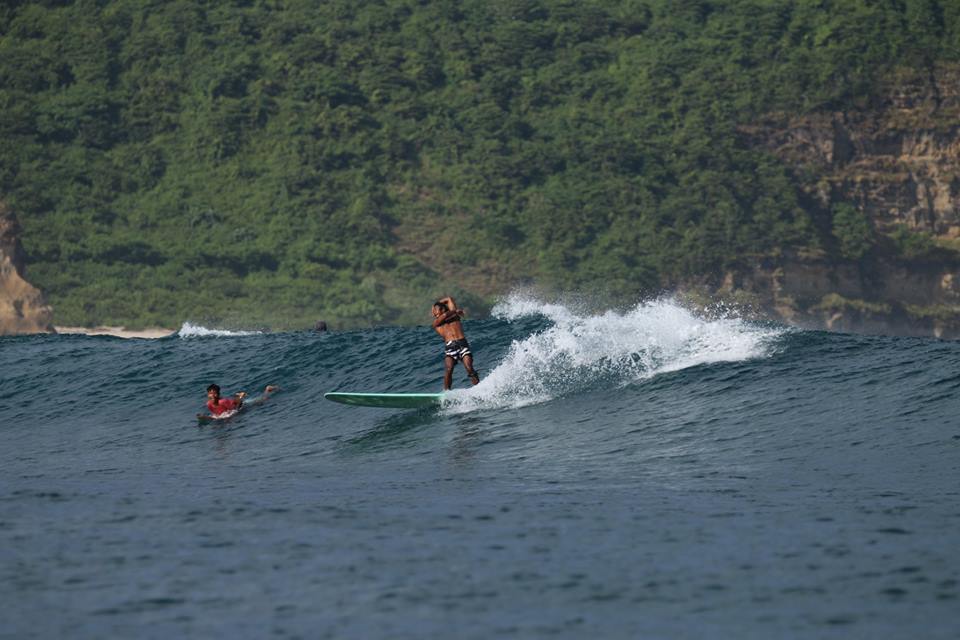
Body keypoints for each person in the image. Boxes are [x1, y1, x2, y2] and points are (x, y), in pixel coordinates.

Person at [431, 296, 480, 390]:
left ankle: (478, 388)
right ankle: (447, 392)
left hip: (462, 345)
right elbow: (445, 316)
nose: (434, 314)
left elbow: (448, 299)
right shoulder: (436, 323)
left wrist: (436, 304)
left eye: (436, 311)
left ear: (442, 309)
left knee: (469, 367)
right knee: (449, 369)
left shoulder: (454, 316)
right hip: (450, 348)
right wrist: (454, 311)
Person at [204, 383, 278, 417]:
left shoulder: (223, 402)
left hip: (244, 404)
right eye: (210, 393)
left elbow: (235, 409)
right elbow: (217, 412)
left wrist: (229, 415)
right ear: (208, 394)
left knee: (262, 400)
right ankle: (240, 395)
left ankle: (268, 390)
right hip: (235, 402)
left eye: (214, 393)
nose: (212, 395)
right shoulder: (208, 404)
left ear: (218, 394)